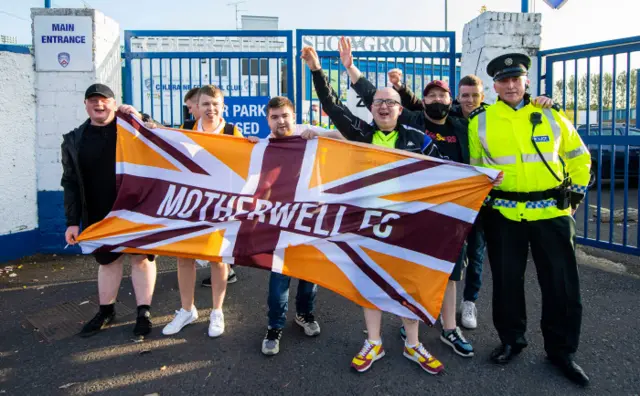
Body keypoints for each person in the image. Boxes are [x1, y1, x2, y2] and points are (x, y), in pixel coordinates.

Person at [301, 45, 445, 375]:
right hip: (370, 225)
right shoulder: (361, 134)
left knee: (410, 284)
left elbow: (449, 170)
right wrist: (317, 71)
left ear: (399, 108)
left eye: (389, 101)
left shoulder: (416, 137)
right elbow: (332, 107)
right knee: (370, 284)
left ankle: (412, 344)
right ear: (371, 107)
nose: (383, 106)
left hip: (409, 226)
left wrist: (481, 180)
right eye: (377, 101)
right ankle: (374, 342)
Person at [341, 37, 474, 358]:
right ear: (420, 102)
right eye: (430, 95)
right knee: (398, 273)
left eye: (443, 94)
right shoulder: (412, 122)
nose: (436, 100)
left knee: (449, 273)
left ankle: (448, 328)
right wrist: (351, 69)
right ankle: (400, 332)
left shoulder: (462, 122)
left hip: (451, 211)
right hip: (402, 216)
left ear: (451, 99)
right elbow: (377, 100)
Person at [468, 53, 591, 386]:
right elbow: (476, 169)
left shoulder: (550, 114)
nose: (510, 85)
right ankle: (511, 340)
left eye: (516, 79)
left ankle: (562, 352)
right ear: (494, 85)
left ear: (525, 82)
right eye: (504, 81)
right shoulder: (480, 121)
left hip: (551, 214)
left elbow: (579, 158)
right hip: (504, 215)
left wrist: (575, 197)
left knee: (561, 285)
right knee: (507, 283)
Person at [141, 84, 258, 338]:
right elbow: (164, 142)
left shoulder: (232, 132)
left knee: (218, 259)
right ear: (197, 106)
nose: (211, 109)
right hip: (190, 205)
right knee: (184, 257)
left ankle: (217, 311)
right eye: (205, 104)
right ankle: (186, 309)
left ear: (223, 106)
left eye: (215, 104)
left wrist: (254, 146)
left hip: (220, 206)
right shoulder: (185, 131)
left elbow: (248, 164)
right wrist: (150, 129)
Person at [62, 83, 157, 338]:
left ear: (114, 103)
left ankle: (143, 313)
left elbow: (162, 136)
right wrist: (72, 222)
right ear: (86, 105)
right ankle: (106, 310)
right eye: (92, 100)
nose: (98, 104)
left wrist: (142, 117)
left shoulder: (132, 127)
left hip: (136, 208)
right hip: (98, 210)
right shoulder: (73, 140)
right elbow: (70, 181)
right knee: (107, 261)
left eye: (104, 100)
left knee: (141, 259)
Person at [260, 96, 344, 356]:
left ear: (293, 116)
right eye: (275, 117)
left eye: (285, 115)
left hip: (312, 217)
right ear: (268, 120)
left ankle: (304, 315)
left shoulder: (307, 134)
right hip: (280, 220)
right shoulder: (263, 145)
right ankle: (274, 326)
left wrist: (322, 134)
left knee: (309, 273)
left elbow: (345, 135)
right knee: (279, 276)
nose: (280, 121)